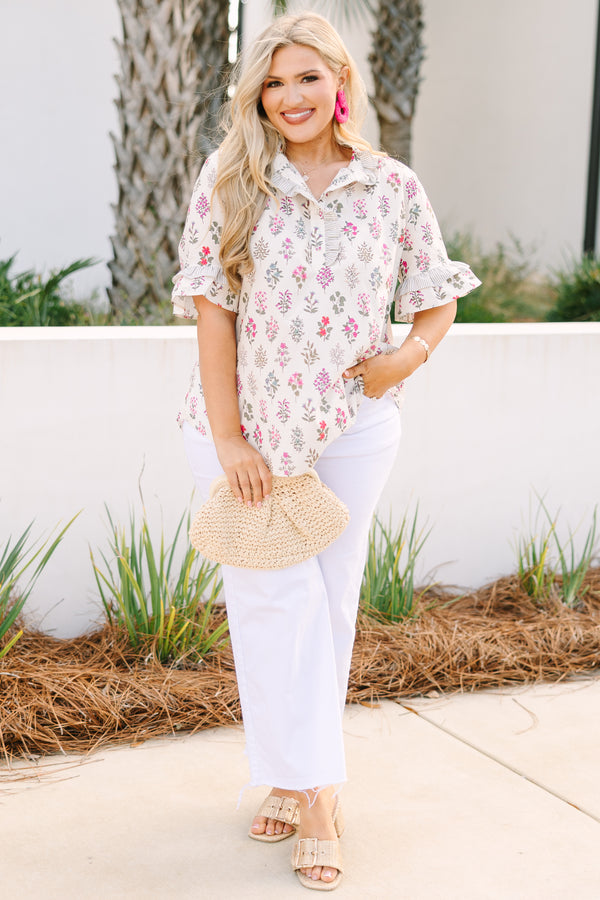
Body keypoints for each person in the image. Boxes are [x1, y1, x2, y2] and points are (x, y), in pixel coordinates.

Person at [172, 11, 480, 891]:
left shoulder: (391, 187)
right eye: (273, 82)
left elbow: (436, 296)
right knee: (274, 603)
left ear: (338, 81)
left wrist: (406, 359)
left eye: (307, 77)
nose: (291, 96)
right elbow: (211, 314)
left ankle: (286, 771)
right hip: (240, 436)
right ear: (256, 98)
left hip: (351, 429)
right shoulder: (230, 181)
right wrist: (231, 437)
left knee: (329, 604)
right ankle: (318, 796)